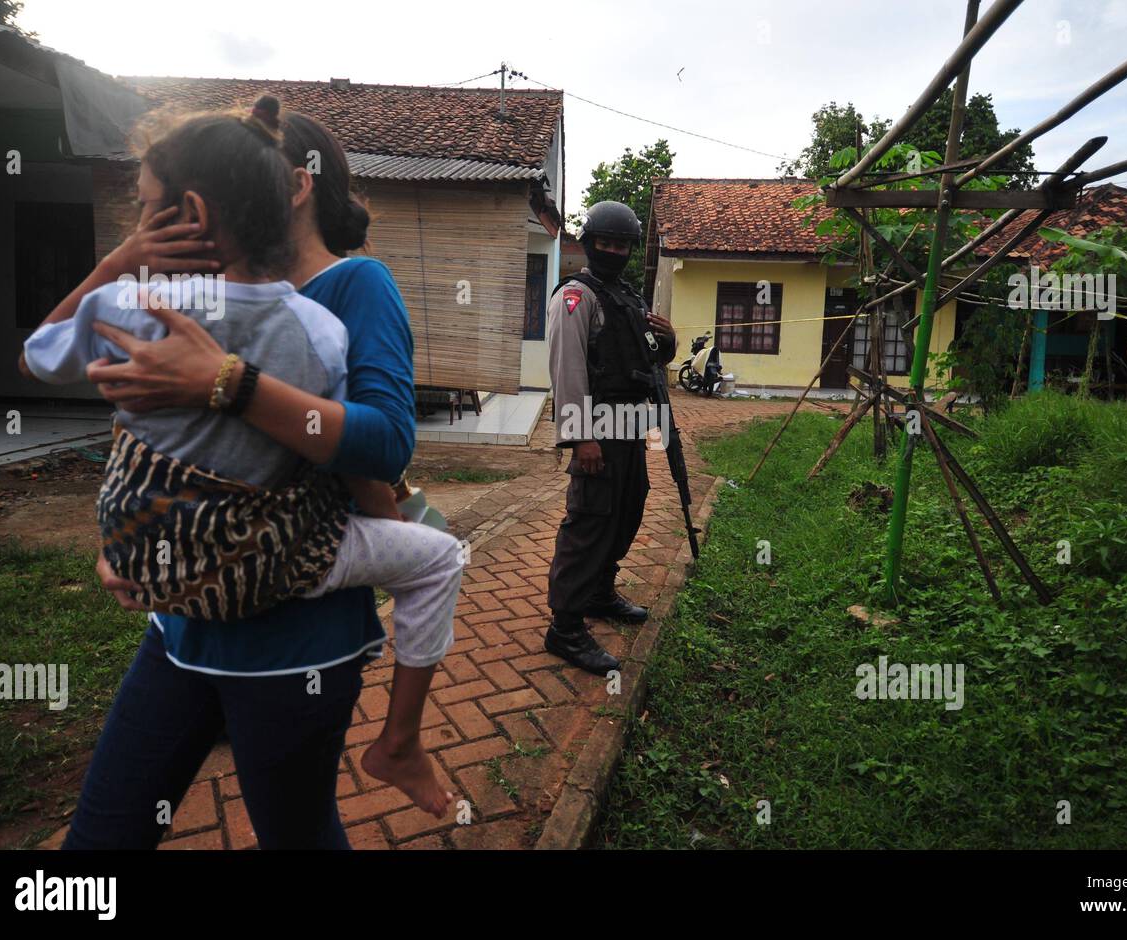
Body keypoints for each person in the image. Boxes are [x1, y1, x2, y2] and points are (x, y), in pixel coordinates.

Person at [46, 99, 453, 849]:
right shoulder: (191, 293)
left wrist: (230, 383)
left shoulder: (353, 288)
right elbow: (138, 430)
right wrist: (131, 540)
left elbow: (386, 442)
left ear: (293, 185)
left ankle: (398, 743)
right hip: (181, 624)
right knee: (101, 838)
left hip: (293, 639)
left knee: (295, 835)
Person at [544, 200, 677, 675]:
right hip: (596, 427)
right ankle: (565, 627)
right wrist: (580, 437)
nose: (615, 250)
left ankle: (600, 593)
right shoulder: (576, 297)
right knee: (589, 522)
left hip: (629, 427)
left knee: (627, 508)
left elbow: (641, 357)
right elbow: (568, 368)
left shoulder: (627, 296)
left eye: (623, 244)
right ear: (589, 243)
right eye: (607, 242)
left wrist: (666, 341)